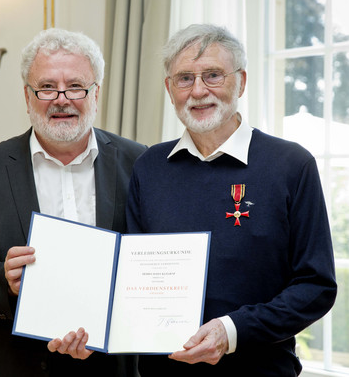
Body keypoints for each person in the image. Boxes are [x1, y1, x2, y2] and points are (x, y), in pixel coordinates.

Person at [125, 24, 337, 376]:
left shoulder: (292, 165)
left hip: (261, 370)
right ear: (168, 88)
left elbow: (316, 286)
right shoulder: (149, 167)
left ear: (241, 82)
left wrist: (231, 331)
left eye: (212, 75)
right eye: (184, 79)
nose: (198, 91)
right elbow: (133, 276)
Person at [0, 28, 147, 377]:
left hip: (112, 364)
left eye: (76, 86)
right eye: (47, 87)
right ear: (27, 94)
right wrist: (2, 277)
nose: (61, 99)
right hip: (16, 362)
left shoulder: (140, 162)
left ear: (97, 93)